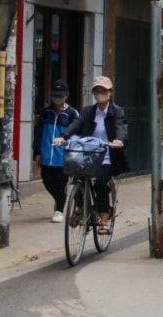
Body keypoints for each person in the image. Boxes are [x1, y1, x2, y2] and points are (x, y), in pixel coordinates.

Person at [54, 76, 129, 234]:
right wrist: (63, 136)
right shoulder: (88, 111)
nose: (100, 93)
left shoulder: (116, 111)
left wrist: (119, 140)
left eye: (103, 90)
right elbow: (76, 124)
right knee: (76, 175)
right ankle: (80, 207)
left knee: (100, 183)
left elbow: (120, 126)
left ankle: (103, 218)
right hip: (88, 154)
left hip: (107, 155)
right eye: (97, 90)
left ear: (110, 92)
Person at [33, 80, 79, 222]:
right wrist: (37, 153)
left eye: (60, 96)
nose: (57, 99)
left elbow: (77, 133)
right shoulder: (46, 113)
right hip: (47, 155)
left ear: (67, 95)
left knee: (60, 182)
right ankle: (60, 198)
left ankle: (59, 209)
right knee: (47, 181)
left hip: (63, 157)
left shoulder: (72, 114)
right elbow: (38, 133)